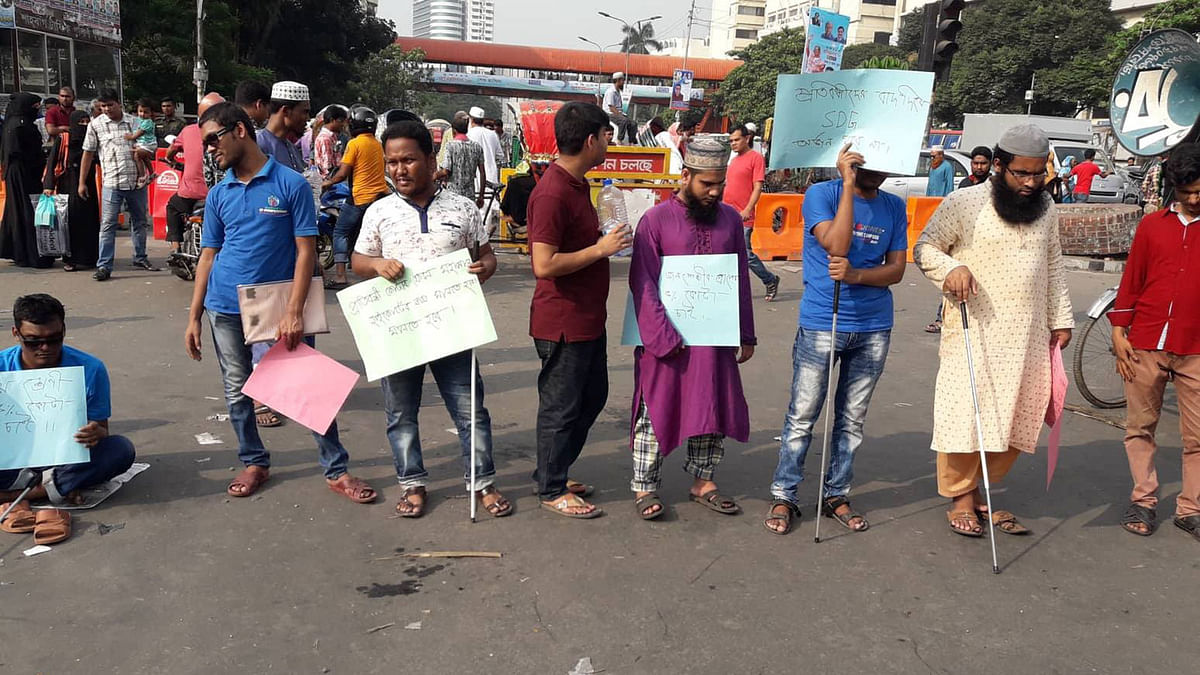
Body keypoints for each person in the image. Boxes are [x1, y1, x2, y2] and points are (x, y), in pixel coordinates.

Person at [183, 102, 376, 504]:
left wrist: (293, 311)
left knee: (305, 387)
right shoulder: (220, 194)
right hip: (225, 306)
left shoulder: (289, 184)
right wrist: (194, 316)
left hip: (278, 304)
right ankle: (254, 461)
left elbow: (305, 251)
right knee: (237, 391)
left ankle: (336, 470)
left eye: (213, 140)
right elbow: (208, 255)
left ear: (239, 130)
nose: (210, 151)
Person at [913, 124, 1073, 538]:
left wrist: (1061, 318)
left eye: (1040, 175)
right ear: (999, 166)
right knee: (966, 413)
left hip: (1029, 334)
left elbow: (1053, 265)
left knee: (1019, 413)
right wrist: (953, 268)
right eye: (1023, 174)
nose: (1032, 183)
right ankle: (961, 497)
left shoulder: (1046, 208)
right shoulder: (963, 202)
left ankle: (982, 488)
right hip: (974, 330)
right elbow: (926, 247)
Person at [350, 120, 511, 519]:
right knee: (401, 412)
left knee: (470, 409)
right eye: (392, 163)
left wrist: (485, 267)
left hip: (452, 327)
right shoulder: (379, 212)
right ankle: (412, 482)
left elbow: (486, 253)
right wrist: (378, 264)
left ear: (431, 159)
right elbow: (356, 261)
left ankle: (483, 481)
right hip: (399, 331)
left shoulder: (462, 208)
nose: (399, 170)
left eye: (408, 160)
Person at [765, 143, 908, 536]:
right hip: (822, 322)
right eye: (867, 166)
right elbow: (836, 244)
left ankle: (836, 493)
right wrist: (846, 185)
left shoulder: (894, 206)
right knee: (803, 415)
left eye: (884, 168)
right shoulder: (821, 194)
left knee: (851, 420)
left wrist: (858, 276)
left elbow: (895, 270)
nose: (876, 174)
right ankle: (785, 493)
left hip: (874, 325)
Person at [628, 136, 756, 520]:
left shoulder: (731, 220)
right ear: (685, 176)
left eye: (721, 184)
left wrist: (744, 333)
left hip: (713, 338)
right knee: (655, 409)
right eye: (707, 184)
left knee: (710, 407)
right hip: (664, 340)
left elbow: (739, 279)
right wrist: (663, 338)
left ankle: (703, 479)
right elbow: (643, 281)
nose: (715, 192)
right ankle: (645, 485)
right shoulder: (655, 220)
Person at [528, 101, 632, 518]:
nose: (610, 143)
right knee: (562, 406)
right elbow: (543, 265)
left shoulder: (578, 184)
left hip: (588, 317)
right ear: (590, 140)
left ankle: (554, 469)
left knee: (592, 396)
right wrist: (600, 249)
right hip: (562, 322)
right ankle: (552, 488)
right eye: (608, 136)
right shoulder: (552, 192)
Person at [1109, 143, 1200, 541]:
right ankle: (1144, 500)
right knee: (1140, 427)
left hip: (1196, 347)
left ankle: (1190, 508)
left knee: (1198, 436)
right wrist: (1117, 332)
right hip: (1145, 342)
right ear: (1173, 189)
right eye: (1187, 193)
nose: (1195, 199)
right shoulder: (1152, 227)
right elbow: (1132, 282)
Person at [0, 294, 136, 512]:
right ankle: (58, 487)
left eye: (54, 339)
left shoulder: (91, 369)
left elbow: (102, 428)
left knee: (120, 449)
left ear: (64, 330)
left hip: (62, 460)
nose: (44, 347)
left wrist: (95, 433)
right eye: (34, 340)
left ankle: (27, 493)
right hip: (10, 462)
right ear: (16, 334)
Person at [79, 89, 159, 281]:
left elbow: (151, 147)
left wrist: (145, 152)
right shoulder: (96, 125)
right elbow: (88, 153)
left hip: (136, 183)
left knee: (139, 222)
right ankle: (104, 265)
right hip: (111, 184)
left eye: (110, 105)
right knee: (107, 225)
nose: (107, 109)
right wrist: (82, 182)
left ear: (119, 104)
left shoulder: (135, 122)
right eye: (103, 106)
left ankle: (140, 257)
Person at [322, 106, 388, 288]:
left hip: (360, 197)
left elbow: (343, 173)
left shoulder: (354, 144)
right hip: (380, 196)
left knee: (340, 232)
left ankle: (341, 276)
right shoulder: (377, 144)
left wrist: (327, 183)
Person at [724, 125, 780, 301]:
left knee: (746, 254)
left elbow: (758, 187)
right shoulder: (733, 160)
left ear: (746, 138)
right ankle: (731, 288)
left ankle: (770, 280)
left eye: (736, 140)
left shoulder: (755, 158)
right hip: (727, 214)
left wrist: (748, 209)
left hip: (743, 215)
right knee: (727, 253)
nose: (733, 143)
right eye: (731, 140)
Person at [165, 93, 224, 257]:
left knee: (172, 207)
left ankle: (175, 246)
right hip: (219, 195)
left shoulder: (188, 130)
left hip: (192, 195)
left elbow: (171, 150)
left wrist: (170, 159)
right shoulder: (229, 132)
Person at [0, 93, 51, 268]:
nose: (37, 110)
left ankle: (16, 249)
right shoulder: (21, 126)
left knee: (17, 210)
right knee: (27, 210)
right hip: (24, 172)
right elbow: (23, 152)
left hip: (17, 172)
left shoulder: (12, 124)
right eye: (35, 106)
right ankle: (30, 252)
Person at [256, 81, 310, 174]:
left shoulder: (292, 148)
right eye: (304, 112)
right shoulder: (257, 145)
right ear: (286, 111)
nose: (307, 118)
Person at [437, 111, 486, 205]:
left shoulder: (450, 146)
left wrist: (434, 176)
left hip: (453, 196)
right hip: (469, 196)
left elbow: (445, 171)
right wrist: (481, 196)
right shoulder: (477, 147)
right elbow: (482, 173)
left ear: (454, 130)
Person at [467, 105, 504, 188]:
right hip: (491, 176)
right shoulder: (493, 134)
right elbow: (500, 155)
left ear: (471, 119)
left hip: (474, 179)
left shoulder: (468, 135)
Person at [127, 98, 158, 188]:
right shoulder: (138, 120)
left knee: (137, 155)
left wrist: (129, 137)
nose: (142, 114)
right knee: (144, 158)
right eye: (140, 111)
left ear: (150, 113)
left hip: (148, 144)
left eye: (146, 112)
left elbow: (136, 135)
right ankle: (152, 173)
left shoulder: (148, 122)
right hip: (143, 143)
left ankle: (142, 176)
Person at [313, 105, 347, 178]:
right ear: (332, 120)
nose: (343, 124)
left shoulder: (332, 136)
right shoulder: (325, 138)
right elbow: (327, 167)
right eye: (340, 121)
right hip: (330, 181)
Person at [603, 72, 637, 144]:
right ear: (618, 81)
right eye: (622, 81)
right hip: (609, 113)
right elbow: (611, 107)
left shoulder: (618, 92)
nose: (623, 83)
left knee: (633, 123)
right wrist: (620, 116)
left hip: (616, 113)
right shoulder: (611, 92)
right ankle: (619, 140)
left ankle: (631, 142)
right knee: (623, 121)